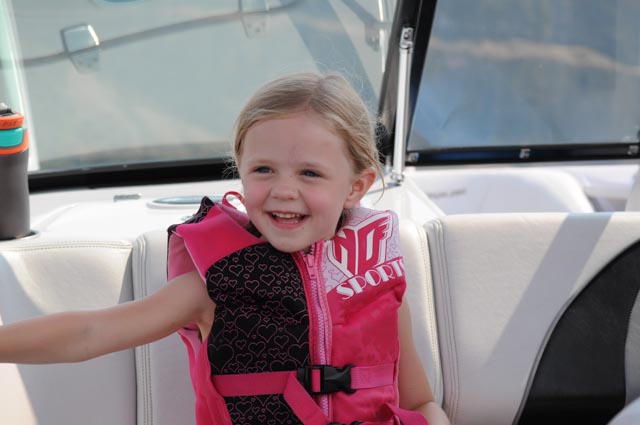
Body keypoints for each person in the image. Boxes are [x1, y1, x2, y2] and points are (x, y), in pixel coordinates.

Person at [0, 72, 450, 425]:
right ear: (240, 171)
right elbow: (89, 334)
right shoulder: (211, 287)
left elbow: (420, 402)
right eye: (263, 169)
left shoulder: (376, 283)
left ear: (356, 186)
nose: (283, 190)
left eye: (310, 173)